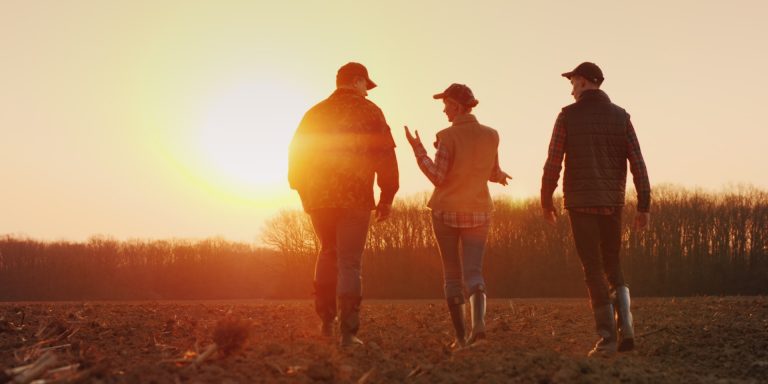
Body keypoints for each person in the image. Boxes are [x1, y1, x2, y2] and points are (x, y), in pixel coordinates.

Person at [540, 62, 651, 357]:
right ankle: (626, 325)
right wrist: (644, 204)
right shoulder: (621, 117)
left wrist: (545, 198)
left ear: (586, 82)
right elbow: (637, 162)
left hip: (580, 202)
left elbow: (553, 161)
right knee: (613, 263)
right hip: (612, 202)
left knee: (592, 268)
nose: (571, 88)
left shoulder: (567, 116)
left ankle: (607, 338)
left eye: (573, 81)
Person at [288, 62, 399, 347]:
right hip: (355, 197)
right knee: (350, 262)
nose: (367, 91)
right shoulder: (370, 112)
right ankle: (348, 333)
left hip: (319, 199)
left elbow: (296, 155)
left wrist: (303, 191)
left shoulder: (314, 113)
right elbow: (385, 154)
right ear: (357, 81)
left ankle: (327, 323)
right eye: (366, 85)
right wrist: (387, 195)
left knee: (327, 252)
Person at [405, 83, 511, 348]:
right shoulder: (492, 135)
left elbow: (438, 177)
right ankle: (479, 327)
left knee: (452, 276)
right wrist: (500, 177)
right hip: (479, 211)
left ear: (456, 105)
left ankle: (461, 338)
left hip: (446, 212)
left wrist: (418, 150)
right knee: (474, 273)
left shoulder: (447, 137)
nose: (443, 110)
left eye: (446, 104)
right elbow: (491, 171)